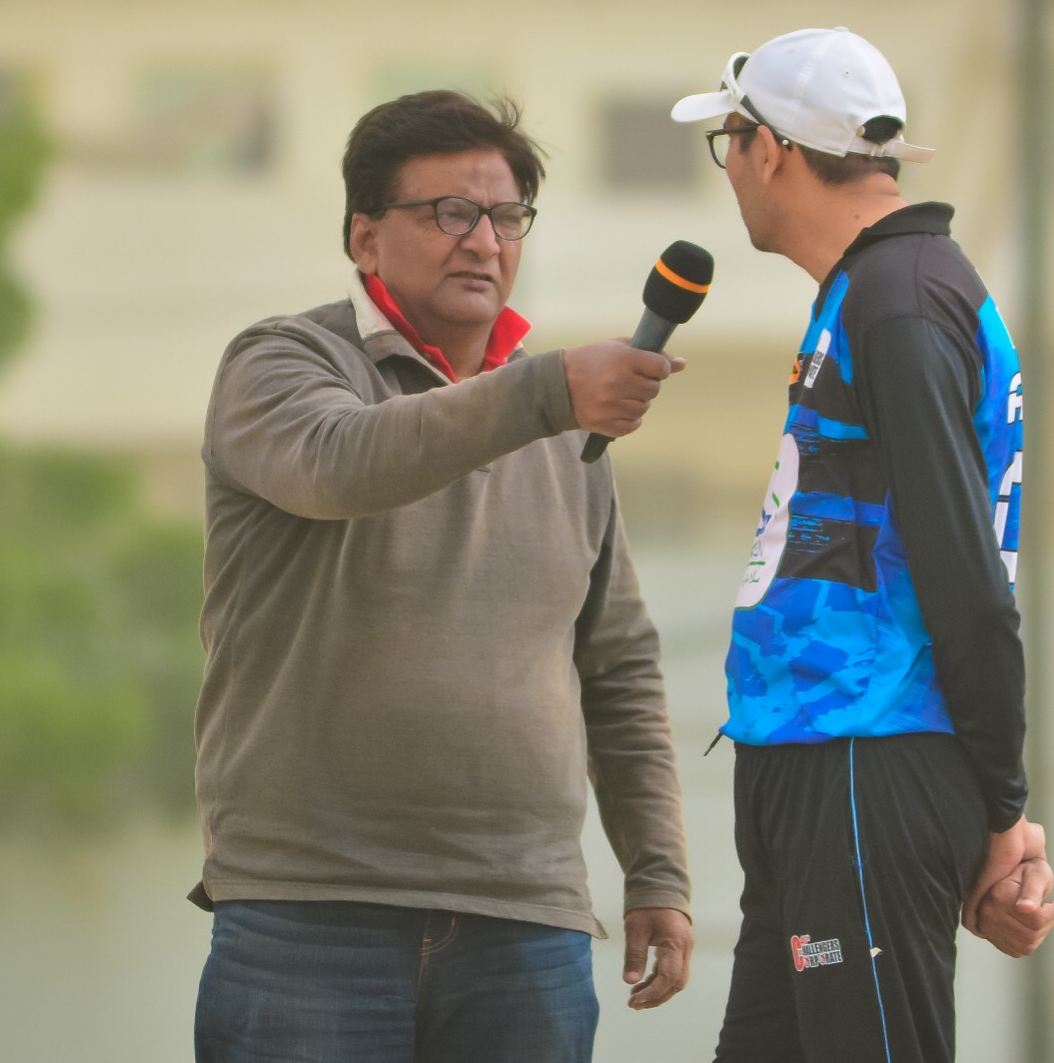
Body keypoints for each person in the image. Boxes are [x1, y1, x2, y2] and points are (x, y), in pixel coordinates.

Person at [189, 89, 693, 1063]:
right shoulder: (281, 363)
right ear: (365, 237)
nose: (484, 242)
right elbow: (338, 465)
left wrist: (658, 873)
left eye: (506, 217)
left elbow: (618, 667)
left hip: (526, 922)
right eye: (450, 213)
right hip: (310, 913)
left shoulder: (564, 426)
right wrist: (549, 391)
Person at [670, 27, 1054, 1062]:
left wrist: (1003, 810)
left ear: (772, 152)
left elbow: (965, 578)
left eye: (730, 143)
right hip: (821, 753)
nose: (729, 171)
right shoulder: (880, 286)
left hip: (867, 752)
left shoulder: (899, 299)